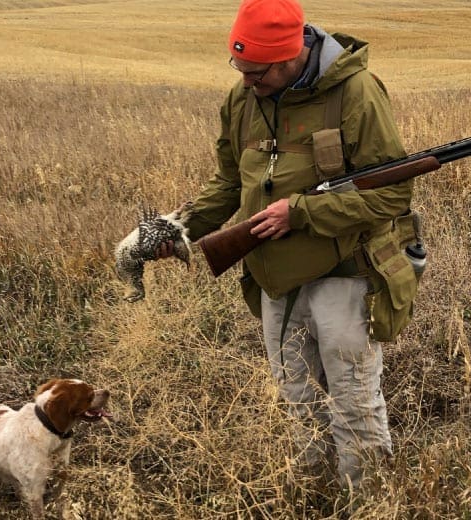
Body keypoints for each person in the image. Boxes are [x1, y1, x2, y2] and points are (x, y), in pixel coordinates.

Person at [158, 0, 420, 495]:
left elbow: (392, 193)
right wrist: (181, 230)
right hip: (275, 281)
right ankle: (311, 493)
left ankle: (366, 501)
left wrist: (300, 212)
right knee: (299, 399)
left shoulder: (357, 93)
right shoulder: (243, 99)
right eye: (239, 69)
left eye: (256, 73)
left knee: (354, 402)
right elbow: (230, 180)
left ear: (289, 56)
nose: (246, 82)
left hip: (345, 272)